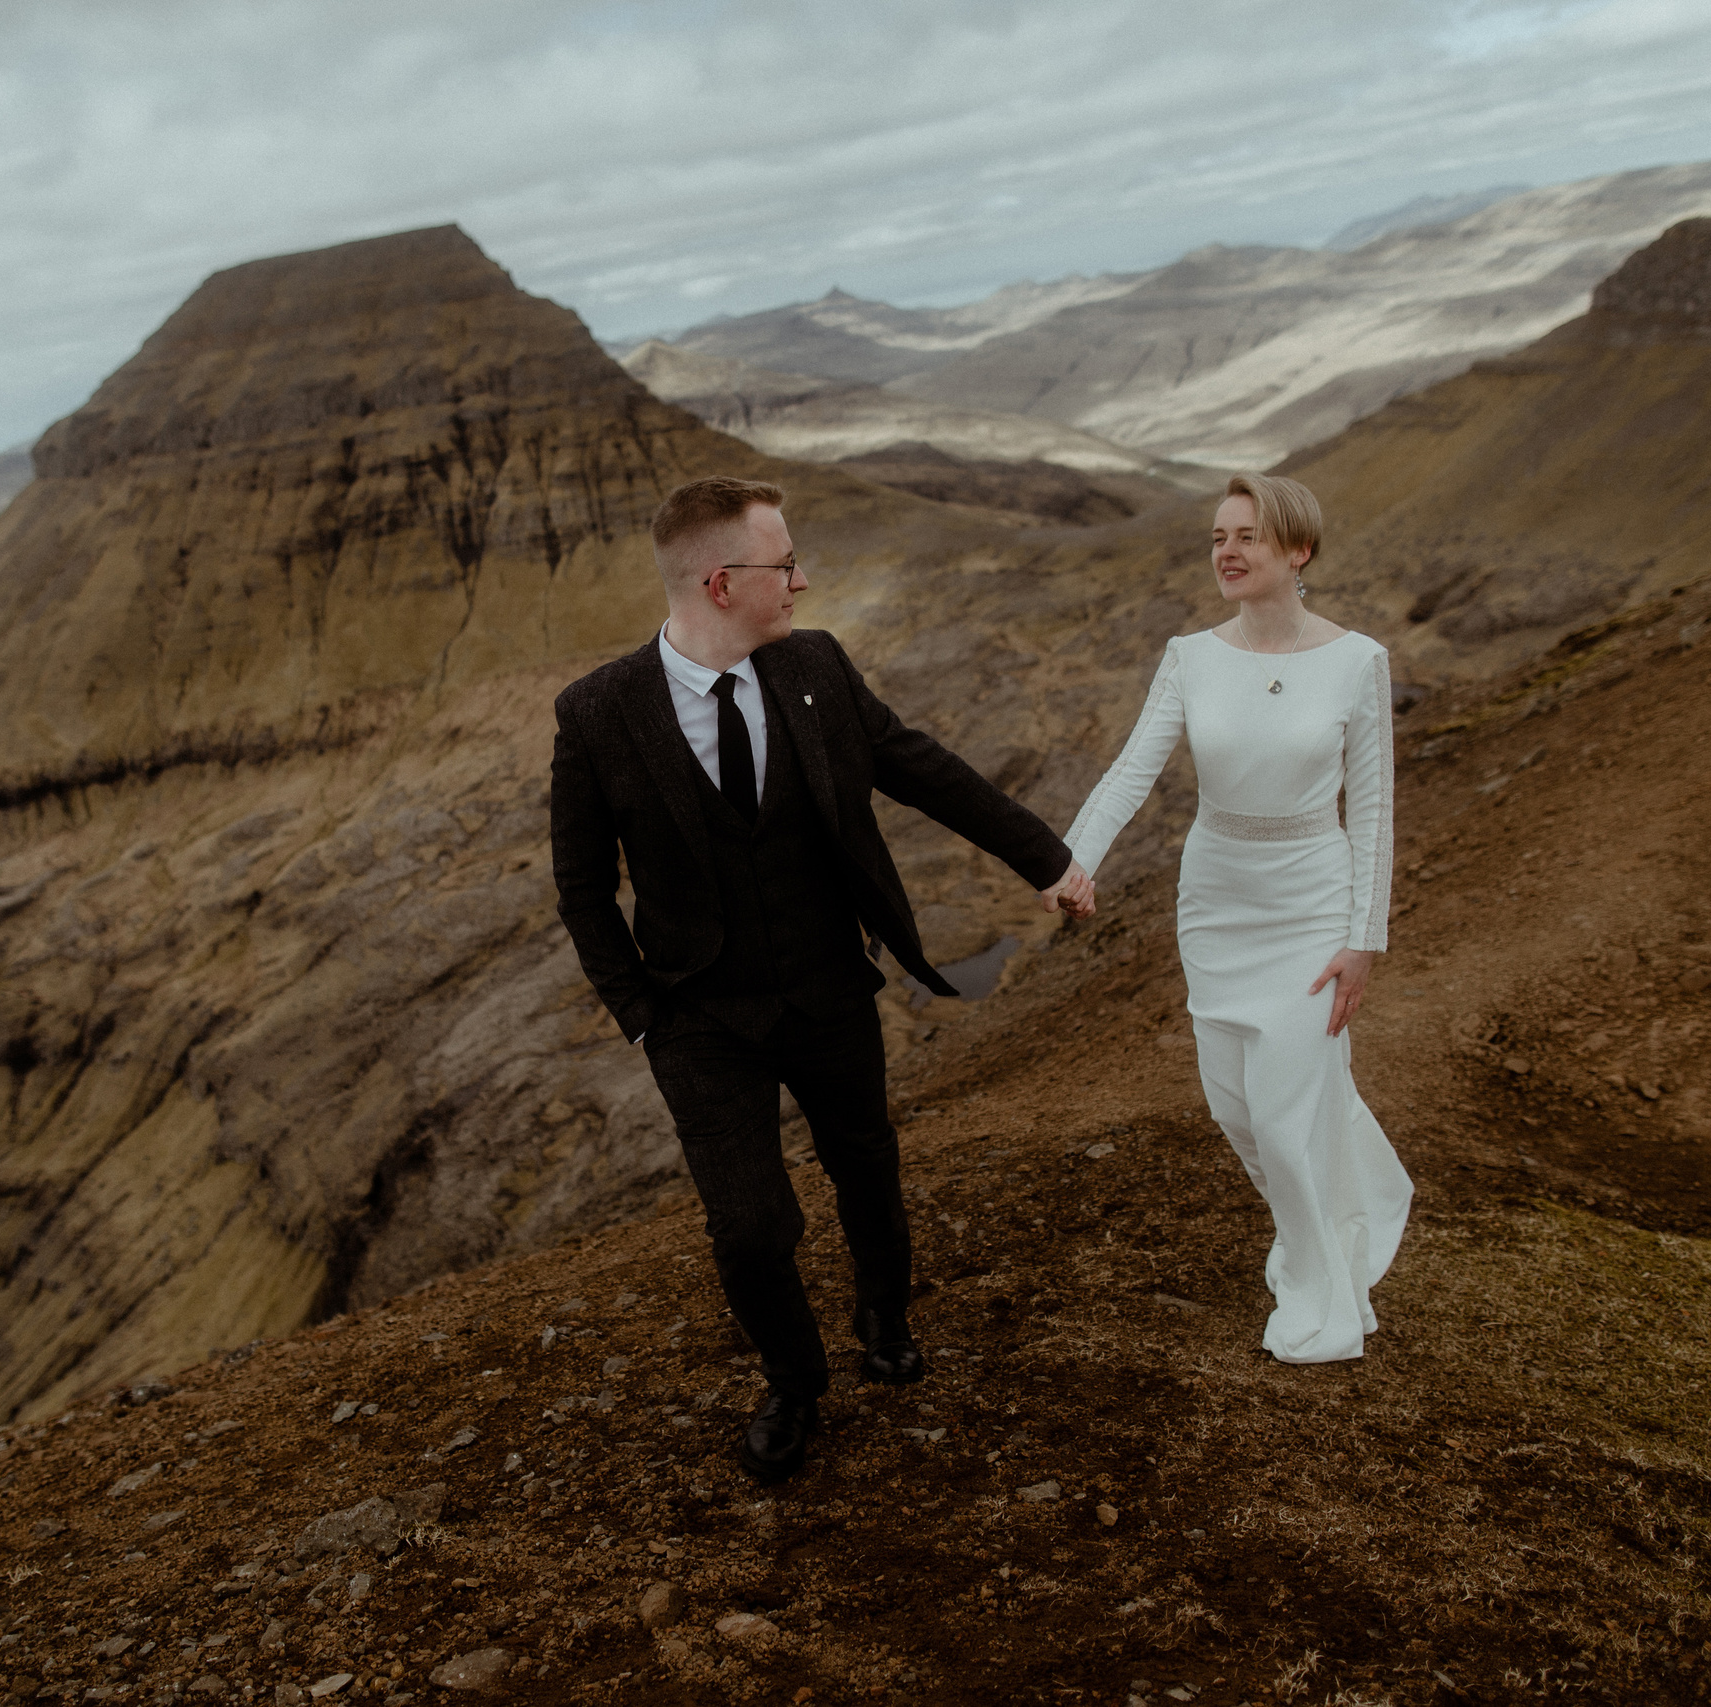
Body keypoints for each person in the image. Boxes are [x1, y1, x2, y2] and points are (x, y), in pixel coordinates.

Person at [551, 474, 1096, 1482]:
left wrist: (1047, 860)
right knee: (751, 1226)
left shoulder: (817, 670)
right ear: (720, 583)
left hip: (828, 989)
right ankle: (794, 1383)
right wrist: (642, 1019)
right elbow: (582, 891)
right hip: (698, 1018)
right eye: (783, 564)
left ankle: (883, 1314)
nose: (800, 580)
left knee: (867, 1169)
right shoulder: (596, 713)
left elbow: (925, 768)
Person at [1063, 472, 1412, 1364]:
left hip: (1310, 903)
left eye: (1248, 535)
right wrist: (1073, 858)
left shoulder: (1358, 660)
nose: (1226, 550)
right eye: (1218, 535)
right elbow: (1132, 770)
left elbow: (1372, 812)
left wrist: (1362, 940)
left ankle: (1323, 1283)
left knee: (1287, 1103)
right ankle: (1314, 1229)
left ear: (1298, 550)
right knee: (1238, 1109)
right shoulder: (1191, 654)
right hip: (1216, 904)